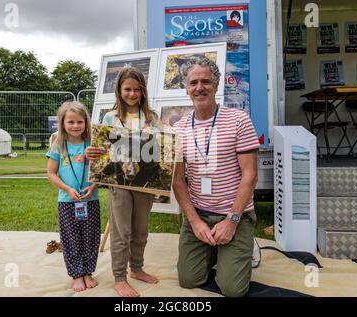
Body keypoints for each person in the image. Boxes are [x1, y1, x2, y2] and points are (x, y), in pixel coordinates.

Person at [172, 57, 259, 297]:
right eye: (193, 83)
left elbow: (250, 176)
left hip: (234, 213)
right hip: (199, 213)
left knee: (232, 289)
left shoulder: (239, 120)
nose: (199, 87)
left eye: (206, 81)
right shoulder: (178, 129)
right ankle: (216, 249)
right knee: (188, 280)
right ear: (186, 88)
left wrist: (231, 220)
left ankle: (242, 243)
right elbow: (178, 181)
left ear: (216, 85)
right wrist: (195, 222)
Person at [86, 67, 161, 297]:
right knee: (121, 230)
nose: (132, 94)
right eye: (127, 89)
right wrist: (92, 152)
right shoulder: (110, 117)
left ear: (143, 91)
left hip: (143, 182)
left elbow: (158, 148)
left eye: (137, 89)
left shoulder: (152, 116)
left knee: (141, 229)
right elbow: (101, 148)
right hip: (118, 181)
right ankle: (120, 277)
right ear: (119, 90)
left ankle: (136, 268)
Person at [46, 101, 100, 292]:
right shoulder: (58, 145)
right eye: (71, 122)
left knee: (91, 238)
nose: (76, 126)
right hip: (67, 202)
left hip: (90, 200)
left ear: (86, 122)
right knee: (71, 239)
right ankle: (77, 274)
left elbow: (102, 170)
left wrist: (93, 187)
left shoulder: (93, 144)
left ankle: (88, 272)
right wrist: (67, 189)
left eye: (80, 122)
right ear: (62, 123)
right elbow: (51, 173)